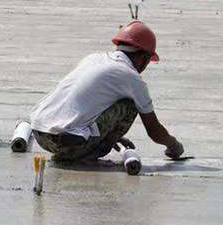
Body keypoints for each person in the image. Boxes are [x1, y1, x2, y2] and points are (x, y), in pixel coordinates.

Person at [30, 20, 183, 163]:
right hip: (64, 141)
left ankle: (82, 139)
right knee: (130, 104)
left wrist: (108, 133)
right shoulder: (131, 77)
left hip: (39, 131)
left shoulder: (93, 58)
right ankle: (83, 153)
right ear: (143, 58)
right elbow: (153, 129)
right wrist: (174, 145)